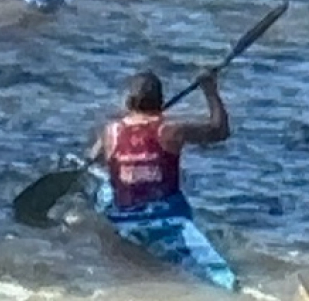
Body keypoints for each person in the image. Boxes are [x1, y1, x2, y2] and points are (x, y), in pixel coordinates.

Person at [97, 69, 231, 266]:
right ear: (160, 102)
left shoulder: (111, 132)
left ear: (129, 102)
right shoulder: (170, 131)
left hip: (124, 217)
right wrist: (210, 91)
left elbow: (96, 158)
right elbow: (220, 131)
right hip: (169, 216)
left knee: (105, 190)